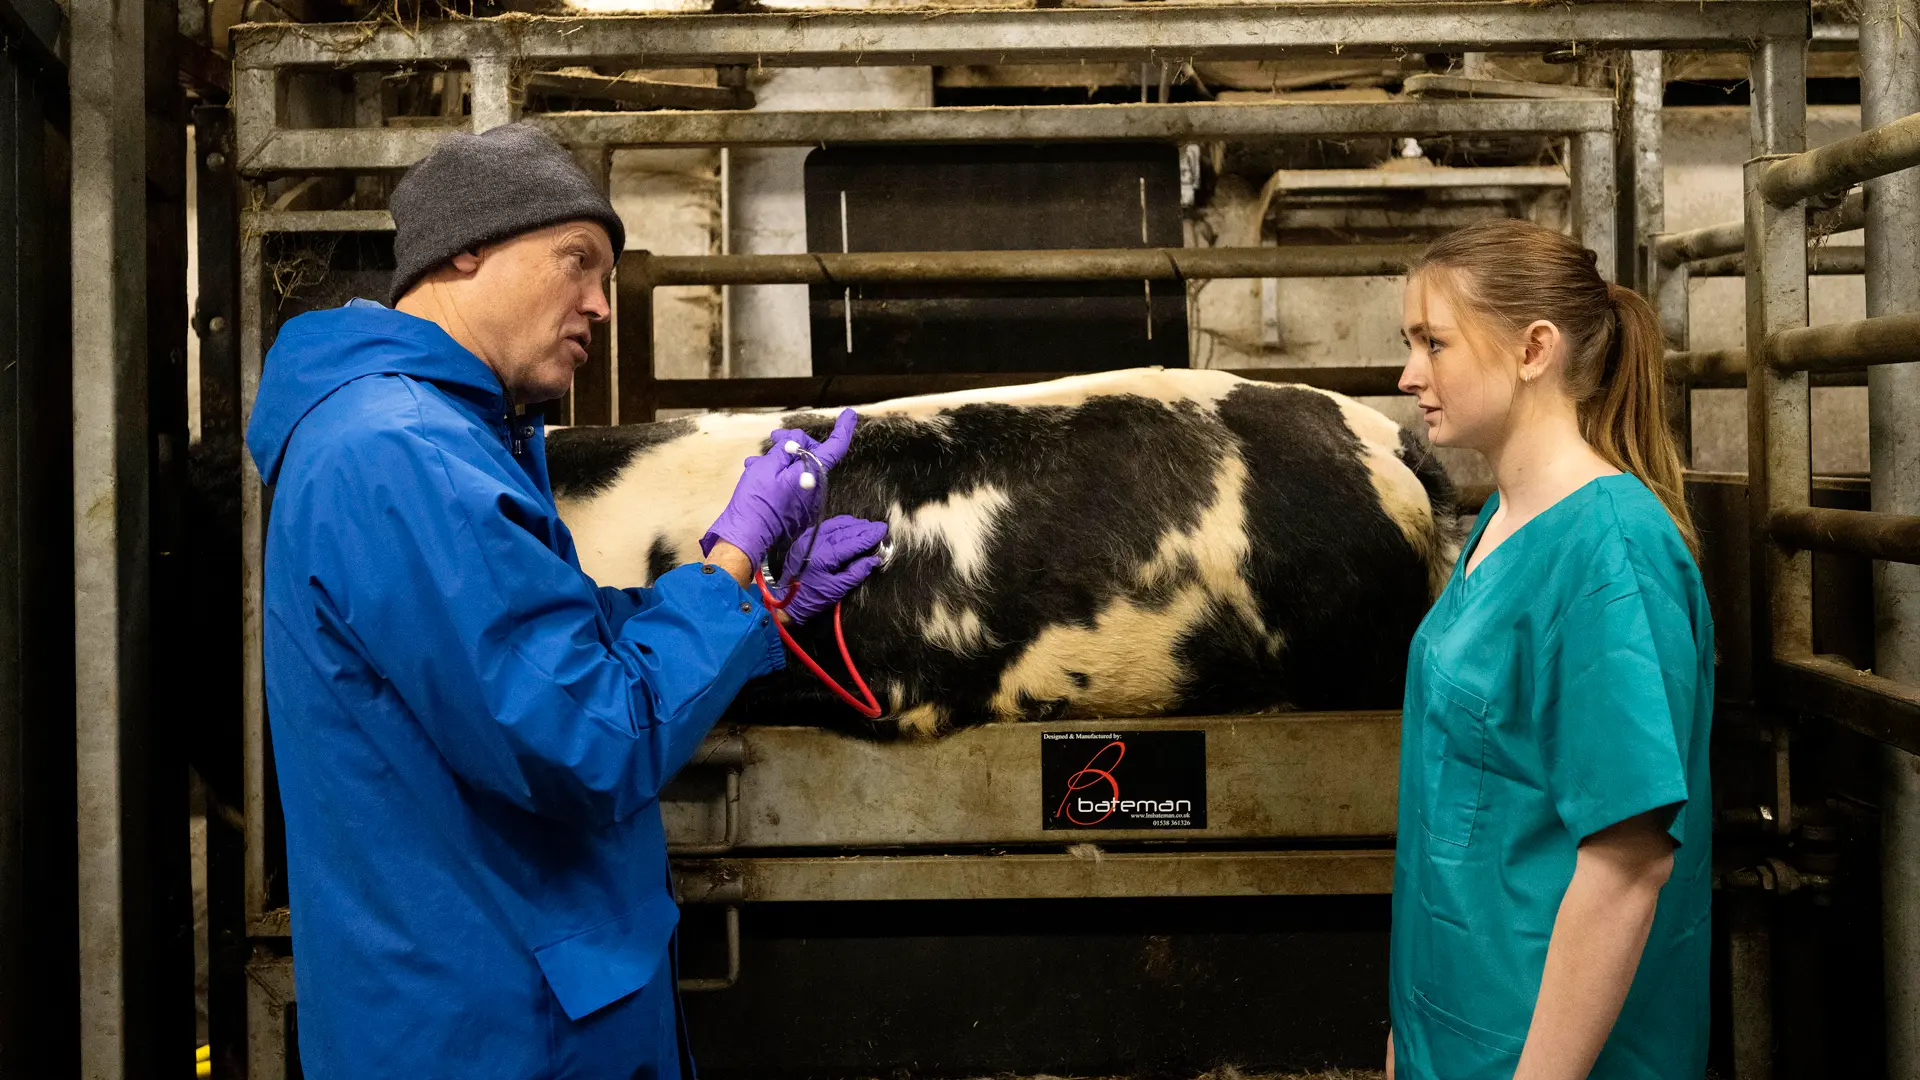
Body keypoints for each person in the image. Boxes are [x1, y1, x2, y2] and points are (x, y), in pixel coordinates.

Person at [244, 123, 887, 1079]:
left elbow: (552, 646)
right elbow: (588, 735)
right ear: (465, 247)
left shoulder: (447, 434)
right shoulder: (403, 453)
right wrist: (733, 555)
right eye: (577, 261)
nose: (600, 303)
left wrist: (764, 615)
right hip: (493, 1027)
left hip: (514, 996)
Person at [1386, 218, 1714, 1080]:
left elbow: (1628, 864)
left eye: (1434, 342)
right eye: (1409, 343)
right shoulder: (1502, 519)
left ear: (1534, 349)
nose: (1409, 373)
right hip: (1458, 1022)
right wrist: (1407, 1030)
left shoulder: (1610, 551)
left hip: (1546, 1050)